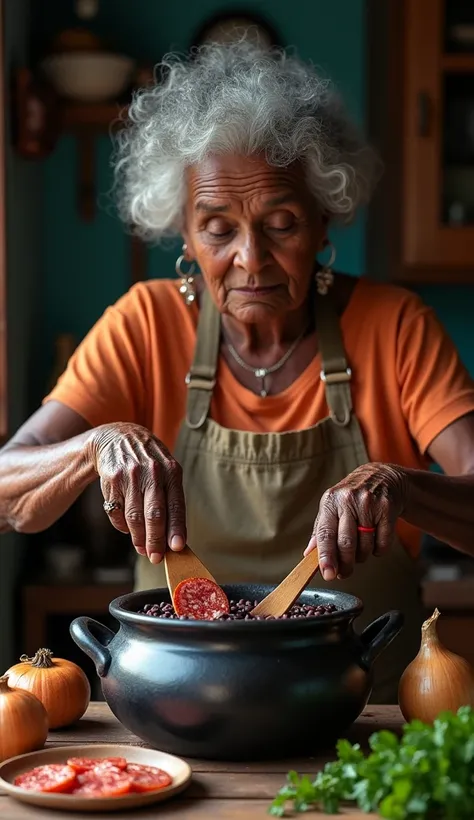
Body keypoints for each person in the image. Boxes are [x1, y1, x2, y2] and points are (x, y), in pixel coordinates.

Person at [1, 42, 474, 703]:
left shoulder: (395, 327)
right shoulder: (143, 324)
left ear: (324, 218)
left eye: (280, 224)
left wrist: (405, 489)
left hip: (365, 718)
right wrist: (94, 446)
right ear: (185, 237)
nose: (251, 261)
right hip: (179, 718)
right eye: (218, 229)